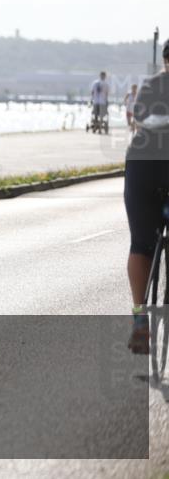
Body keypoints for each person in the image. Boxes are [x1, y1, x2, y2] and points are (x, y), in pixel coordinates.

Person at [125, 43, 169, 353]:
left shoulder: (150, 85)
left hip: (140, 164)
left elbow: (135, 120)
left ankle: (140, 322)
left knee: (140, 244)